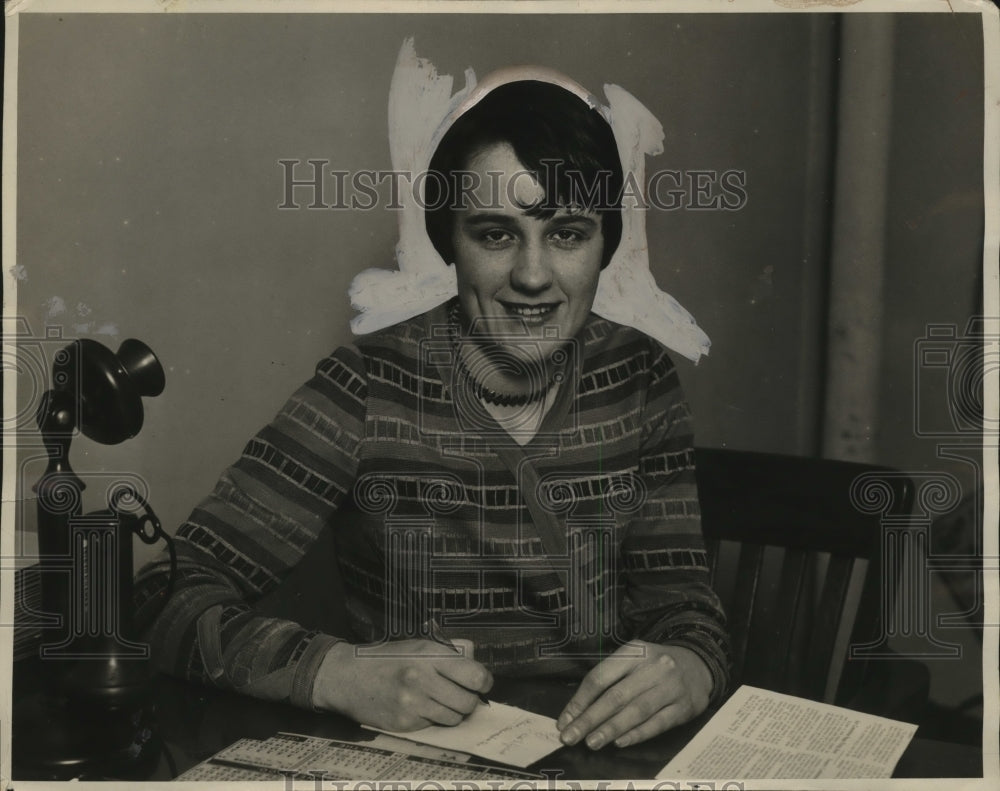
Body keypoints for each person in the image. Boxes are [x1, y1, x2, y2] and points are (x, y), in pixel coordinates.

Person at [135, 73, 731, 752]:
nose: (533, 276)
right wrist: (335, 671)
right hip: (418, 758)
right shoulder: (365, 385)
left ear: (606, 243)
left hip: (593, 759)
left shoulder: (641, 376)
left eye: (567, 233)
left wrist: (689, 665)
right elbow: (160, 598)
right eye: (495, 234)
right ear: (449, 242)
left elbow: (685, 608)